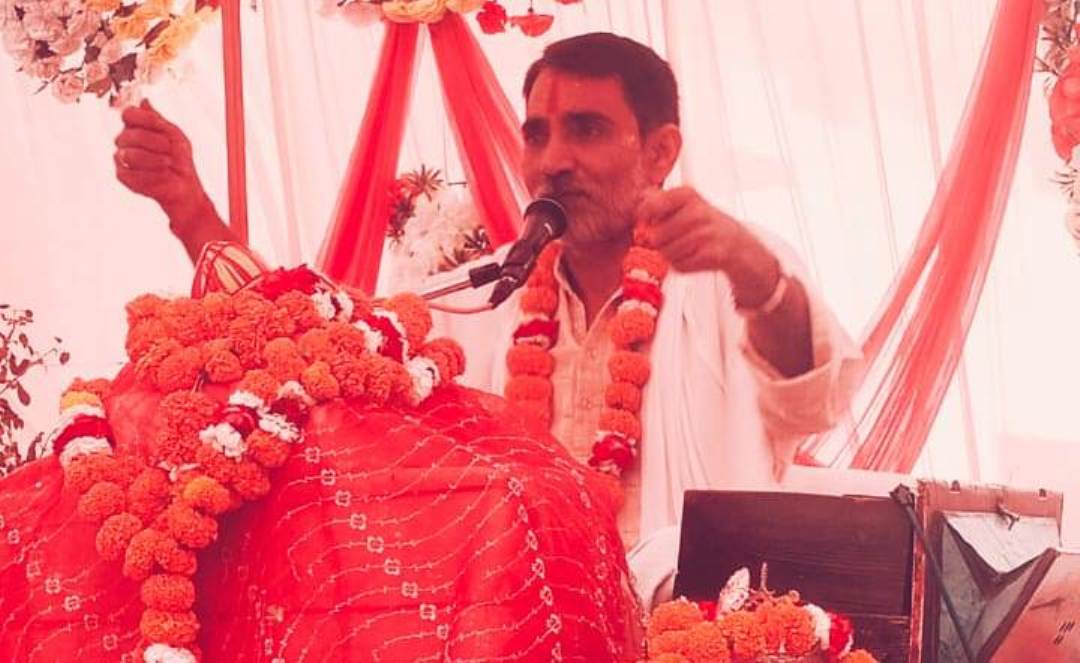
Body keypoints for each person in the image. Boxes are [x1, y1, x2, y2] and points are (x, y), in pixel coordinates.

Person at [115, 33, 861, 587]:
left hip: (686, 630)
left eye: (587, 129)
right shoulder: (485, 298)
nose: (553, 160)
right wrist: (191, 212)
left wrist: (754, 273)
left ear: (661, 151)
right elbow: (318, 345)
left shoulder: (731, 271)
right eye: (537, 133)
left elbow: (816, 391)